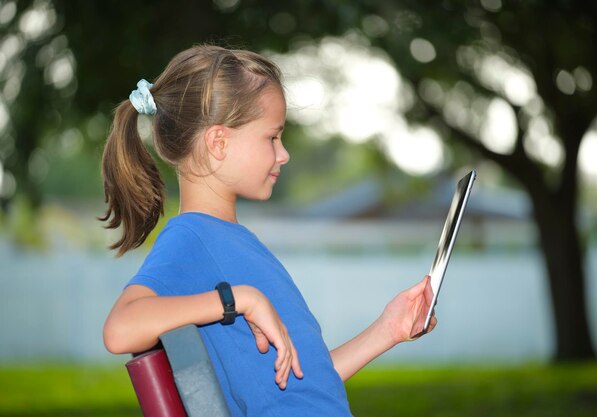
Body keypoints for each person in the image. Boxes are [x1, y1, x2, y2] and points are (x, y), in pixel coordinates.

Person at [101, 44, 437, 417]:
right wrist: (239, 299)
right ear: (218, 142)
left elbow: (303, 386)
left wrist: (388, 330)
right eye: (272, 137)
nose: (284, 153)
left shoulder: (234, 241)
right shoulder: (192, 239)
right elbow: (120, 329)